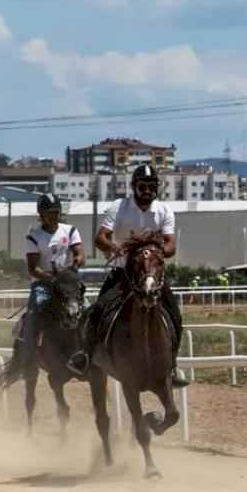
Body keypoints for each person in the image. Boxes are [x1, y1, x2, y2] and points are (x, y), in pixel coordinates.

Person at [68, 165, 190, 388]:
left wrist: (155, 253)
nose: (147, 191)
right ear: (134, 186)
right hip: (122, 274)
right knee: (96, 311)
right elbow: (101, 238)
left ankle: (172, 365)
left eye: (152, 187)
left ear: (157, 188)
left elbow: (171, 244)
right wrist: (114, 248)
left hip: (151, 273)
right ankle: (84, 355)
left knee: (175, 315)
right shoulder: (118, 207)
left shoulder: (164, 210)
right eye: (142, 186)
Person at [18, 193, 85, 361]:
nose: (53, 217)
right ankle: (28, 352)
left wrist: (76, 262)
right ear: (41, 216)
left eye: (56, 213)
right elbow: (33, 268)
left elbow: (80, 254)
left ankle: (88, 350)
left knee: (87, 309)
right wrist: (52, 278)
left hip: (67, 282)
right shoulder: (34, 236)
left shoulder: (70, 231)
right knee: (36, 311)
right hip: (43, 283)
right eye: (49, 213)